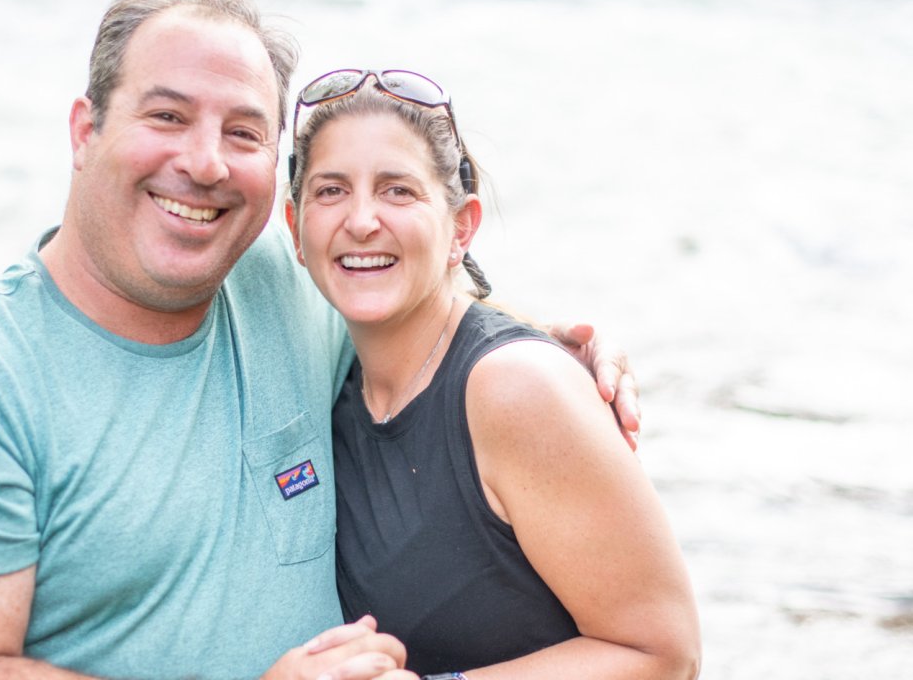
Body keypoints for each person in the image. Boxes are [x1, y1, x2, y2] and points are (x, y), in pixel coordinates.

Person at [0, 0, 640, 680]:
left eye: (245, 132)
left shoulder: (286, 295)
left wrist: (543, 349)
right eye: (167, 115)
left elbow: (416, 300)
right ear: (86, 132)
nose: (207, 163)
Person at [284, 71, 700, 678]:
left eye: (398, 191)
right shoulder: (331, 377)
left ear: (462, 227)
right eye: (331, 191)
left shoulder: (516, 387)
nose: (363, 219)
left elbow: (666, 653)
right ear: (295, 229)